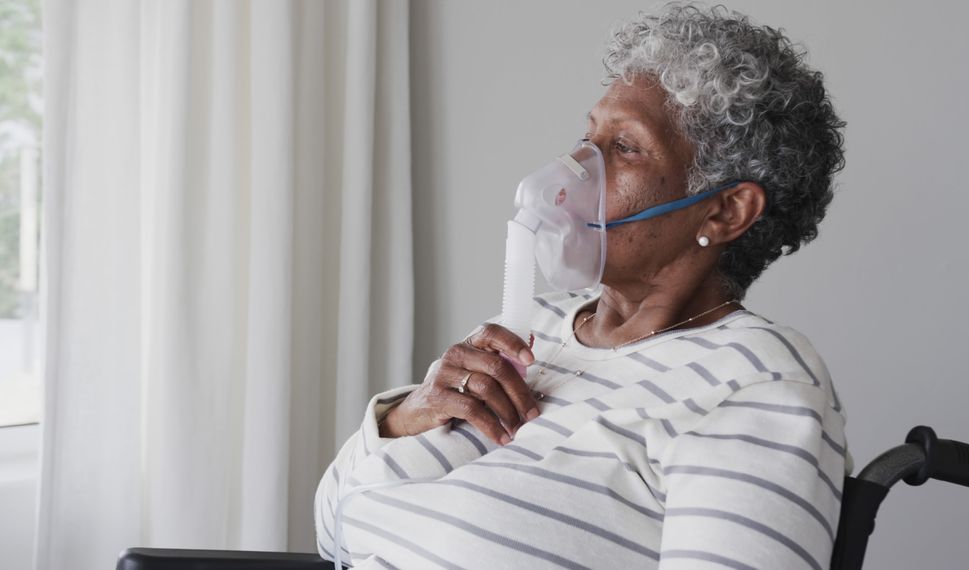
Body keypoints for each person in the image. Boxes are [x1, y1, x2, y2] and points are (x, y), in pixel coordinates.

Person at [315, 3, 849, 568]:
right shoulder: (531, 330)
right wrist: (406, 417)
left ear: (725, 211)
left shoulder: (754, 384)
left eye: (625, 149)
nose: (571, 172)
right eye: (588, 138)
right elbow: (331, 533)